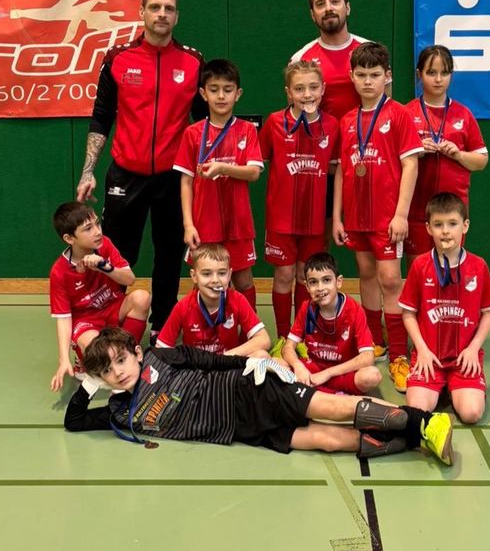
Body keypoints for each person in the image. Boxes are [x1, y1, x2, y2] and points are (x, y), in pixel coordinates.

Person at [63, 326, 454, 464]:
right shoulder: (117, 411)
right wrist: (88, 384)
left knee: (334, 407)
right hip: (240, 431)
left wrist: (260, 364)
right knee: (328, 440)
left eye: (120, 361)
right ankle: (411, 440)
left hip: (249, 391)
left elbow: (210, 361)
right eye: (107, 371)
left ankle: (425, 422)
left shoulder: (159, 357)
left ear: (135, 352)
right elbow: (75, 421)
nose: (118, 372)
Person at [75, 0, 205, 338]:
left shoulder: (193, 62)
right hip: (125, 175)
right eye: (156, 7)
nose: (162, 14)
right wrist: (88, 171)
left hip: (172, 178)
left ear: (177, 16)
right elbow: (101, 117)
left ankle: (163, 327)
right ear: (142, 12)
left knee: (168, 256)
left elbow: (205, 122)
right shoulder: (118, 59)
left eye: (169, 9)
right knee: (117, 254)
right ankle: (110, 327)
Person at [333, 42, 423, 393]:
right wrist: (338, 217)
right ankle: (376, 342)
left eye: (375, 75)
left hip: (388, 217)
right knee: (366, 275)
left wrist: (401, 214)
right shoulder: (347, 120)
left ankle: (400, 354)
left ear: (388, 77)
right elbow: (342, 170)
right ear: (352, 77)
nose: (368, 82)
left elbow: (410, 164)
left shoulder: (399, 115)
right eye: (361, 75)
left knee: (389, 279)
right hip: (357, 216)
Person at [399, 192, 490, 422]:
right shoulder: (420, 265)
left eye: (452, 224)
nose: (445, 231)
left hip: (463, 359)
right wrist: (422, 350)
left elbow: (488, 313)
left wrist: (474, 348)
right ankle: (439, 387)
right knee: (417, 412)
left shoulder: (478, 266)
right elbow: (408, 313)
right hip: (429, 358)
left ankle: (456, 386)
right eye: (438, 224)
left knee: (471, 413)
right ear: (428, 228)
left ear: (465, 226)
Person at [173, 59, 263, 310]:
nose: (221, 96)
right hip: (204, 224)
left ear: (238, 93)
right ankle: (200, 334)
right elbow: (186, 182)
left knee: (243, 280)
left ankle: (249, 330)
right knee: (204, 279)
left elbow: (254, 172)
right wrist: (188, 224)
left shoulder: (247, 130)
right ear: (203, 93)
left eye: (227, 89)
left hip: (239, 223)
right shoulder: (193, 133)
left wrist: (223, 168)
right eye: (214, 89)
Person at [259, 60, 339, 340]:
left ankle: (302, 336)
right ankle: (283, 339)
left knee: (307, 278)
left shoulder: (332, 125)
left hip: (314, 221)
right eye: (300, 88)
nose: (307, 94)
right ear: (288, 92)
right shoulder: (273, 123)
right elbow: (260, 163)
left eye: (313, 87)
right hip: (280, 220)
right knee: (283, 277)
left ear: (323, 89)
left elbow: (335, 170)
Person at [48, 202, 150, 391]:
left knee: (142, 298)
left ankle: (127, 356)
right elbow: (63, 319)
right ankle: (84, 361)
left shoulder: (105, 245)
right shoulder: (59, 272)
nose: (97, 231)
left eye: (97, 224)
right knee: (95, 345)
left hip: (112, 306)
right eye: (88, 228)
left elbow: (130, 279)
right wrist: (63, 359)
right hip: (86, 321)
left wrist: (104, 266)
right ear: (69, 238)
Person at [405, 45, 488, 259]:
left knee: (450, 269)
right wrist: (416, 150)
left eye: (445, 73)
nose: (439, 79)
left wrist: (459, 154)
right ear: (419, 74)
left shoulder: (464, 114)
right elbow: (393, 161)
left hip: (453, 210)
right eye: (431, 72)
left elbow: (481, 161)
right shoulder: (406, 113)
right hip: (416, 209)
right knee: (421, 270)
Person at [282, 252, 381, 395]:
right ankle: (332, 392)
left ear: (338, 282)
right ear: (307, 287)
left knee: (372, 375)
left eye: (326, 280)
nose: (320, 287)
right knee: (274, 364)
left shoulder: (354, 310)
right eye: (313, 282)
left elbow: (368, 358)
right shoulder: (307, 308)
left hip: (342, 372)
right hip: (314, 370)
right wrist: (298, 366)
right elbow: (288, 348)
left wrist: (328, 374)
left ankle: (316, 390)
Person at [155, 243, 271, 356]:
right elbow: (161, 347)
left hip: (227, 366)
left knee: (261, 355)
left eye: (221, 273)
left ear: (229, 274)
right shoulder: (184, 306)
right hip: (196, 370)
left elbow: (264, 340)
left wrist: (226, 356)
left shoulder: (237, 300)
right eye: (207, 274)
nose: (215, 280)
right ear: (194, 276)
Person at [289, 0, 369, 123]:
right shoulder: (300, 59)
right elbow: (294, 114)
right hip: (318, 143)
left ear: (348, 8)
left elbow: (385, 108)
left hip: (364, 144)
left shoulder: (371, 52)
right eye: (320, 4)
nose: (328, 8)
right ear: (313, 15)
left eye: (335, 1)